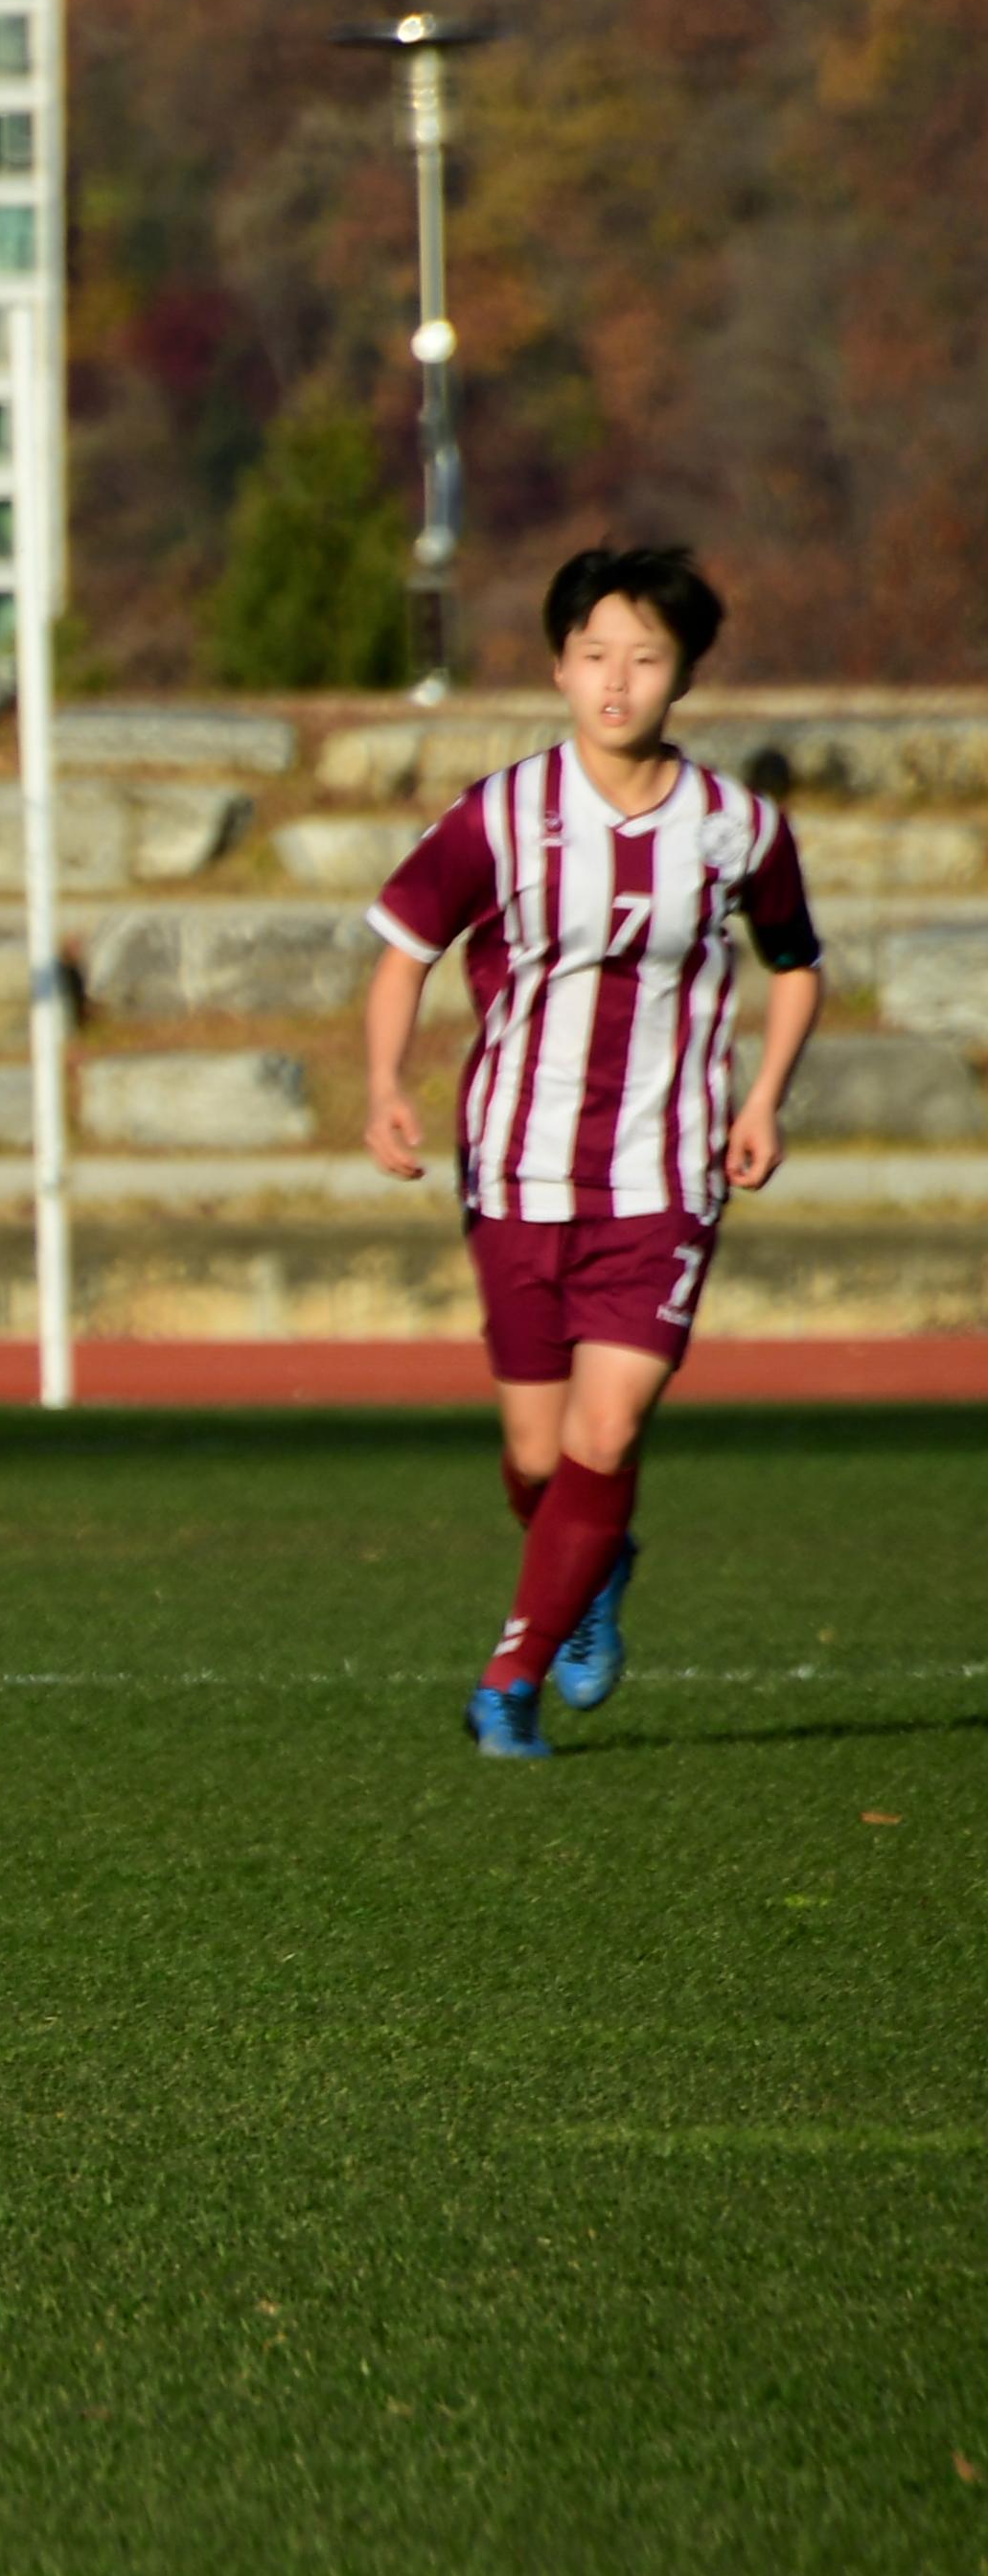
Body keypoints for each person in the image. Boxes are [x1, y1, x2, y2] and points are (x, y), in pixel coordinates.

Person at [359, 543, 820, 1761]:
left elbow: (798, 963)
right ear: (560, 666)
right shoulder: (501, 812)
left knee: (603, 1437)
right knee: (534, 1455)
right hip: (513, 1169)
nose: (617, 681)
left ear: (683, 675)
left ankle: (505, 1682)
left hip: (663, 1181)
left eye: (646, 658)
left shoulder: (736, 828)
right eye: (595, 655)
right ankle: (593, 1563)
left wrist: (764, 1099)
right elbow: (404, 945)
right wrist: (382, 1085)